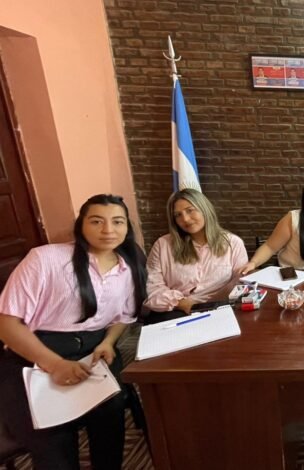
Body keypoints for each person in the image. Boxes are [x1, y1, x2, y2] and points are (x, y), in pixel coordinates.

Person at [0, 194, 147, 469]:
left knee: (110, 422)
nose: (108, 230)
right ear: (81, 225)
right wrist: (54, 364)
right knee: (54, 444)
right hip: (34, 356)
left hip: (94, 351)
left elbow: (123, 316)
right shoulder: (45, 259)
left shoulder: (129, 266)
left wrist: (108, 342)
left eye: (118, 222)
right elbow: (6, 325)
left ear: (127, 227)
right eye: (97, 221)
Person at [145, 188, 248, 323]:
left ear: (205, 209)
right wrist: (182, 303)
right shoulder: (162, 245)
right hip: (174, 311)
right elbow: (153, 288)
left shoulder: (233, 243)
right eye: (178, 215)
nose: (185, 219)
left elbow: (239, 283)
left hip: (218, 311)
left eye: (190, 210)